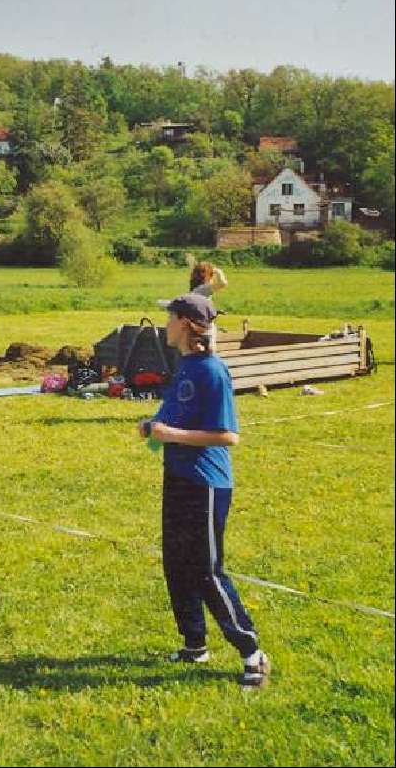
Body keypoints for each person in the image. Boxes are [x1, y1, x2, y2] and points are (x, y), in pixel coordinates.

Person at [139, 292, 270, 688]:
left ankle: (252, 653)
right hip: (178, 477)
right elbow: (175, 419)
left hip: (206, 484)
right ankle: (195, 644)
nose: (165, 325)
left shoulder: (212, 370)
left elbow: (227, 435)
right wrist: (153, 427)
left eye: (169, 318)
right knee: (176, 565)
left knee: (205, 570)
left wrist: (170, 434)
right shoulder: (186, 367)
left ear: (184, 323)